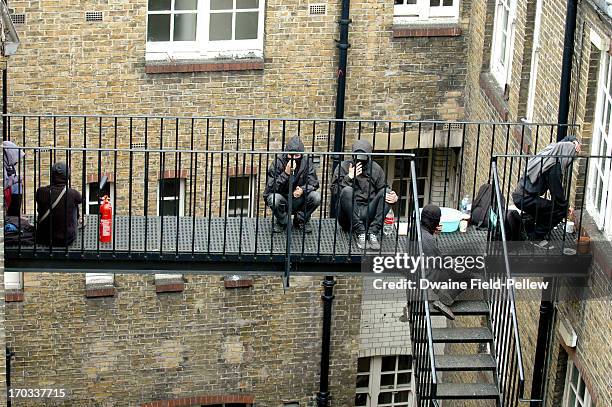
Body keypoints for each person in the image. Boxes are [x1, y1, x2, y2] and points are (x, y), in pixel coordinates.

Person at [331, 140, 398, 250]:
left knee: (387, 192)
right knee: (347, 190)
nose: (360, 161)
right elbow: (335, 192)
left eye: (363, 158)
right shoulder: (343, 167)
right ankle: (360, 232)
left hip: (367, 212)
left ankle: (373, 232)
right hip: (347, 216)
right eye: (357, 158)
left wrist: (394, 197)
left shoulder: (375, 169)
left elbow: (383, 189)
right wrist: (349, 177)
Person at [512, 136, 581, 243]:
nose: (570, 162)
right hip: (525, 199)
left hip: (520, 195)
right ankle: (535, 236)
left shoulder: (552, 151)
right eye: (572, 158)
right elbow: (557, 194)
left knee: (549, 208)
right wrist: (566, 208)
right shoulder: (554, 167)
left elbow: (565, 139)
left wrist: (575, 141)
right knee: (560, 210)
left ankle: (529, 225)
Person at [264, 136, 321, 233]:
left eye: (297, 156)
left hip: (300, 199)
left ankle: (301, 220)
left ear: (301, 155)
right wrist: (285, 174)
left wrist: (303, 190)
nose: (293, 158)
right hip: (283, 198)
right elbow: (269, 189)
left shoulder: (306, 162)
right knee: (274, 199)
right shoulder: (278, 162)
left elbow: (314, 183)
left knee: (316, 197)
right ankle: (283, 221)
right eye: (291, 155)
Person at [35, 162, 83, 246]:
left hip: (43, 238)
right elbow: (81, 200)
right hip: (66, 239)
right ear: (67, 177)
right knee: (74, 205)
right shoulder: (73, 194)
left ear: (51, 176)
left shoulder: (40, 191)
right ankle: (77, 224)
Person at [3, 141, 24, 216]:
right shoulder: (3, 165)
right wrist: (16, 179)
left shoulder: (7, 164)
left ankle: (14, 217)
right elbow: (3, 183)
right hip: (9, 198)